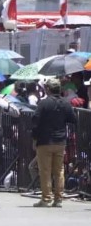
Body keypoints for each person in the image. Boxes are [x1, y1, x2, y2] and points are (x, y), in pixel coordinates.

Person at [31, 78, 77, 207]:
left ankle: (46, 198)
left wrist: (34, 138)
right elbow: (73, 119)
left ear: (48, 89)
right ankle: (58, 199)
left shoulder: (43, 103)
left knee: (45, 170)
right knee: (59, 170)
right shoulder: (65, 103)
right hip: (60, 141)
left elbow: (35, 121)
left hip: (45, 141)